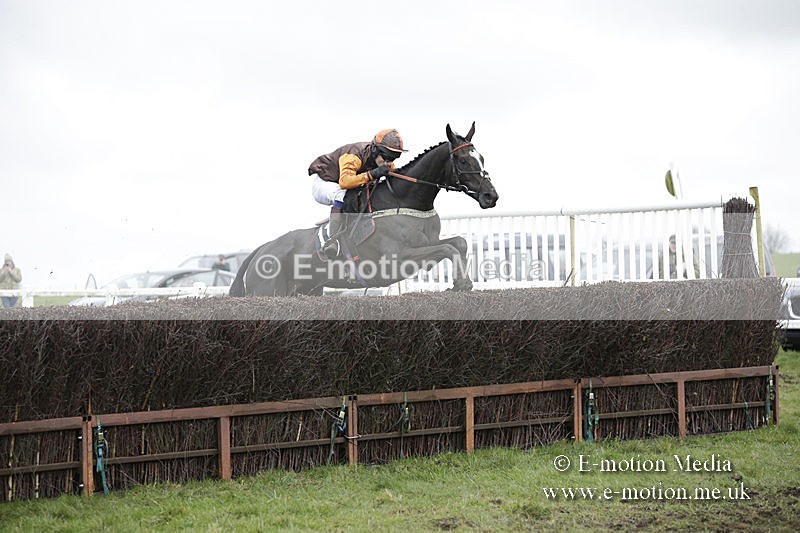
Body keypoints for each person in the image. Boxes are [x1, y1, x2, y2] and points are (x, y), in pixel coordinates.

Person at [308, 129, 407, 258]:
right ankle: (332, 241)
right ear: (375, 150)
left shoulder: (381, 159)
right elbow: (345, 182)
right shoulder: (353, 155)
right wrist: (371, 174)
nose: (389, 162)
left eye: (394, 158)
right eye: (387, 158)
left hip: (342, 185)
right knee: (342, 194)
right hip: (324, 183)